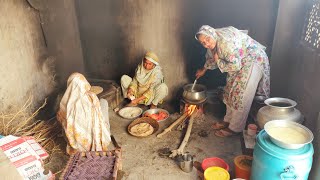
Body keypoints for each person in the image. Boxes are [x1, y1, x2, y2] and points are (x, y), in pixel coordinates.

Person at [195, 25, 270, 137]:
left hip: (252, 60)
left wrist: (219, 61)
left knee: (241, 94)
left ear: (212, 34)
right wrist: (203, 70)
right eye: (202, 42)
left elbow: (235, 66)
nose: (206, 43)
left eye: (207, 39)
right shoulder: (213, 43)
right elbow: (212, 58)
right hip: (238, 62)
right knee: (230, 91)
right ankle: (228, 120)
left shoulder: (225, 43)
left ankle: (235, 128)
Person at [57, 72, 111, 154]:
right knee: (103, 102)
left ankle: (75, 145)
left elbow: (60, 119)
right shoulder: (92, 97)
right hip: (94, 140)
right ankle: (104, 135)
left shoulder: (65, 103)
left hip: (77, 145)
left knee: (64, 120)